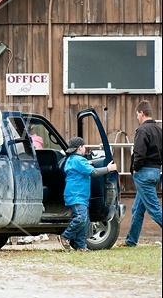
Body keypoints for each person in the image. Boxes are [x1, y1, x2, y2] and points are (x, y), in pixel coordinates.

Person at [58, 137, 117, 252]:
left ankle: (81, 246)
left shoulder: (71, 159)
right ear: (80, 147)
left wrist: (89, 162)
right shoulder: (79, 161)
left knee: (85, 222)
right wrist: (108, 169)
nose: (85, 148)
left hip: (77, 195)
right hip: (77, 195)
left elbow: (83, 168)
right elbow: (93, 172)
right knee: (81, 218)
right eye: (84, 146)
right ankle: (65, 236)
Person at [121, 100, 162, 247]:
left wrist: (135, 168)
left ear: (142, 113)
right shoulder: (159, 130)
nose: (137, 117)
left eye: (137, 114)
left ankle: (131, 241)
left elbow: (139, 152)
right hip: (155, 172)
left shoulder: (142, 130)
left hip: (143, 173)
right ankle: (131, 241)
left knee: (154, 209)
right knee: (137, 209)